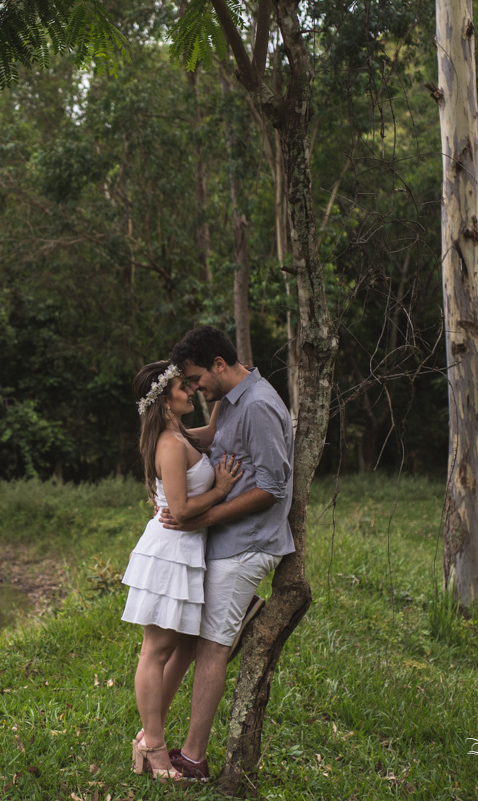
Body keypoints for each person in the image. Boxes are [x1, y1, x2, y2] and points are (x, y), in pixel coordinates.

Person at [158, 326, 296, 779]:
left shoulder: (257, 405)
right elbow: (212, 438)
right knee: (202, 644)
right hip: (226, 542)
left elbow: (273, 487)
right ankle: (169, 741)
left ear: (220, 364)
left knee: (214, 649)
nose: (193, 388)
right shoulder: (232, 398)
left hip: (247, 545)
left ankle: (193, 758)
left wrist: (203, 518)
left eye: (196, 378)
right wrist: (165, 440)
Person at [121, 360, 244, 781]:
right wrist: (223, 491)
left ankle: (148, 734)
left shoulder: (179, 434)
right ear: (164, 399)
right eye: (180, 386)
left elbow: (211, 435)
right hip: (171, 551)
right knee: (155, 650)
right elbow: (181, 508)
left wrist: (227, 396)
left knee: (189, 644)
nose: (189, 389)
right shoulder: (170, 444)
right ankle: (153, 746)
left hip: (187, 550)